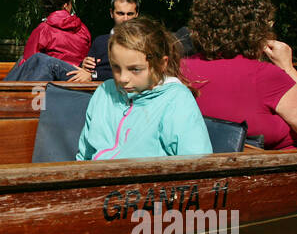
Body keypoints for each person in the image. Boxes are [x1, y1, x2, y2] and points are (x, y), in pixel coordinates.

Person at [182, 0, 297, 149]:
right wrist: (288, 69)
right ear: (257, 30)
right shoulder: (265, 75)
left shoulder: (180, 70)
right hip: (269, 170)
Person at [76, 17, 212, 160]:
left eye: (135, 69)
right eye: (116, 67)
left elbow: (197, 163)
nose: (123, 78)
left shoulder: (176, 100)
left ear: (161, 64)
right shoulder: (104, 92)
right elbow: (84, 155)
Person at [3, 0, 92, 82]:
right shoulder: (83, 29)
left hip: (53, 80)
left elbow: (29, 62)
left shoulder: (43, 30)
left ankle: (1, 91)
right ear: (66, 5)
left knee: (24, 60)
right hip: (76, 76)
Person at [69, 0, 140, 83]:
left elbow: (131, 73)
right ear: (111, 13)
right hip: (91, 89)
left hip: (122, 91)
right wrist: (84, 65)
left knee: (50, 64)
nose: (125, 19)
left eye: (130, 14)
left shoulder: (142, 41)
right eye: (120, 14)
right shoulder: (100, 41)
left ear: (136, 15)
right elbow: (84, 72)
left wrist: (93, 75)